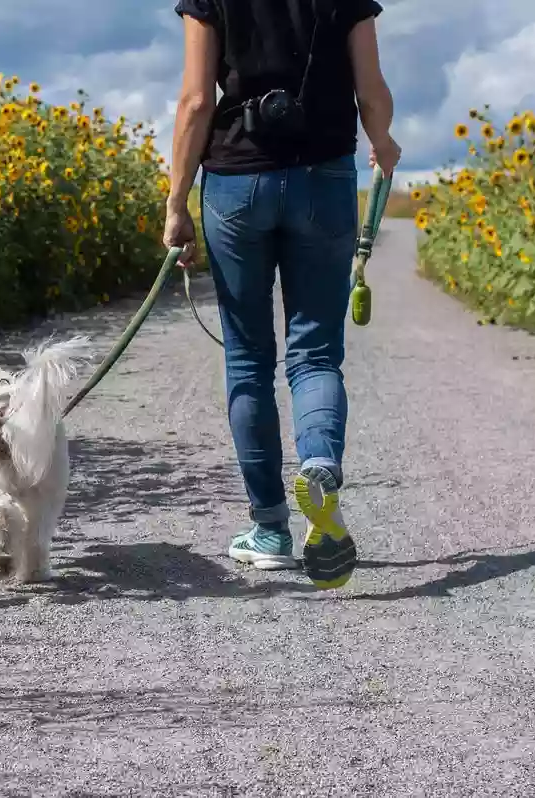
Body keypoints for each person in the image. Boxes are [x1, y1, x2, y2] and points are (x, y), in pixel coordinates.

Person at [163, 0, 400, 589]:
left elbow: (195, 100)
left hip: (237, 182)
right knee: (316, 353)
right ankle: (320, 464)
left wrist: (175, 202)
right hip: (325, 175)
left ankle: (270, 530)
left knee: (247, 359)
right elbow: (370, 89)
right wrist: (383, 140)